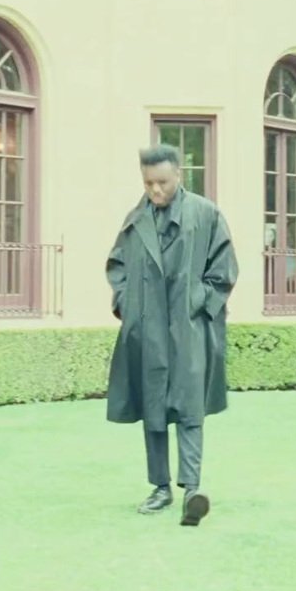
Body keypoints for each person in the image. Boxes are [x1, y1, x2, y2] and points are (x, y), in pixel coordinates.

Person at [105, 144, 238, 526]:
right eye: (148, 183)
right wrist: (127, 305)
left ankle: (192, 490)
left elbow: (225, 269)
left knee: (190, 407)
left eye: (162, 182)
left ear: (179, 174)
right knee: (153, 408)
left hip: (189, 328)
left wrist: (199, 303)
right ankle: (160, 487)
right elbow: (117, 266)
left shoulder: (206, 214)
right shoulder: (135, 220)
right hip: (147, 331)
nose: (155, 190)